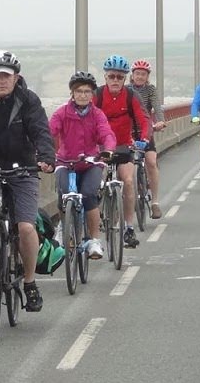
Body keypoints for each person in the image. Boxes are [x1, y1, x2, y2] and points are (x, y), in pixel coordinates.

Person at [0, 50, 56, 313]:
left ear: (16, 77)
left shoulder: (28, 100)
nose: (1, 81)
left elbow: (41, 131)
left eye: (6, 76)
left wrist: (46, 157)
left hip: (24, 167)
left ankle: (30, 283)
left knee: (26, 228)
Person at [49, 71, 116, 259]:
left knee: (88, 196)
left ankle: (94, 240)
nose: (83, 95)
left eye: (87, 91)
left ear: (92, 94)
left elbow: (106, 133)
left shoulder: (97, 114)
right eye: (79, 91)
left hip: (90, 162)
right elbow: (49, 132)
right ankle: (64, 228)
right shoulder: (62, 113)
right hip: (65, 161)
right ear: (72, 93)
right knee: (63, 194)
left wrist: (108, 149)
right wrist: (42, 152)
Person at [96, 55, 151, 249]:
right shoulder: (98, 95)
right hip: (101, 147)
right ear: (105, 77)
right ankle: (96, 224)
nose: (115, 81)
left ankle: (128, 227)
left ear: (125, 79)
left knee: (128, 181)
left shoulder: (130, 96)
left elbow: (143, 119)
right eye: (112, 76)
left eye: (120, 77)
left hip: (123, 146)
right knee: (95, 182)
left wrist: (144, 139)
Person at [127, 59, 166, 219]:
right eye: (137, 74)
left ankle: (155, 202)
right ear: (132, 75)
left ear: (147, 76)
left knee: (150, 162)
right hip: (127, 132)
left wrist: (160, 121)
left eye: (143, 74)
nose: (140, 77)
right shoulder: (126, 90)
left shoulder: (150, 90)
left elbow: (156, 106)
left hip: (146, 130)